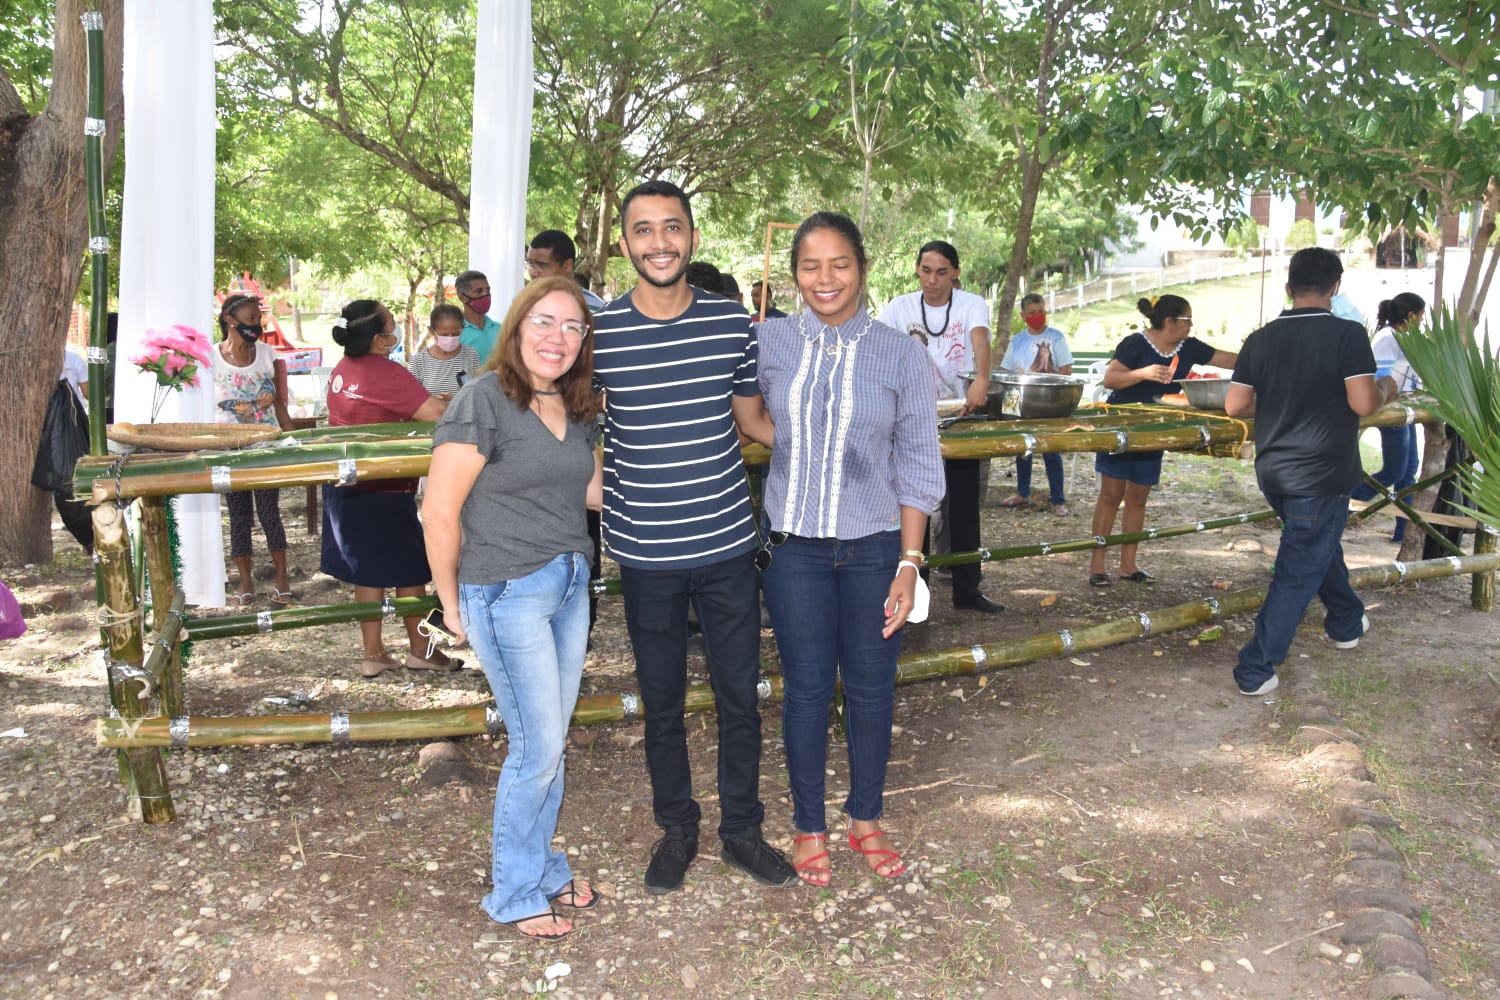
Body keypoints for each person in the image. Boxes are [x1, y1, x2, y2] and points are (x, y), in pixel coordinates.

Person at [592, 178, 796, 894]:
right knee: (663, 701)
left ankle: (742, 829)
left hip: (726, 548)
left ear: (693, 237)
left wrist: (833, 450)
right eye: (643, 230)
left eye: (671, 227)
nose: (659, 242)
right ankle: (678, 829)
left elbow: (754, 423)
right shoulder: (601, 335)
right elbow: (583, 436)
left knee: (741, 696)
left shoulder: (731, 324)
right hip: (644, 555)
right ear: (626, 243)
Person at [755, 212, 944, 886]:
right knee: (806, 689)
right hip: (792, 551)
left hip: (875, 550)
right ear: (795, 274)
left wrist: (909, 563)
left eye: (839, 264)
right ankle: (809, 824)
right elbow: (748, 414)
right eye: (810, 266)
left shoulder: (899, 353)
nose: (824, 278)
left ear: (861, 268)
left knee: (871, 689)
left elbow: (919, 462)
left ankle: (866, 817)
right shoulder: (769, 340)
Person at [424, 276, 604, 940]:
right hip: (505, 591)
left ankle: (543, 865)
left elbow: (592, 492)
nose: (557, 338)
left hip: (567, 585)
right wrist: (450, 606)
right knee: (535, 748)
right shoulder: (483, 400)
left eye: (572, 327)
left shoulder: (579, 406)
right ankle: (514, 890)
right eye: (544, 322)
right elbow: (438, 513)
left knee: (550, 741)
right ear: (518, 326)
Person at [1226, 248, 1380, 696]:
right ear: (1336, 287)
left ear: (1289, 288)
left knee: (1316, 547)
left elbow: (1236, 405)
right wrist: (1386, 389)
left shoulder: (1261, 338)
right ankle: (1255, 667)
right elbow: (1363, 403)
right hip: (1323, 472)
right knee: (1299, 567)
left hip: (1274, 471)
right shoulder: (1348, 335)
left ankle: (1347, 621)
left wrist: (1277, 403)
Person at [323, 299, 457, 678]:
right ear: (381, 340)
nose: (396, 332)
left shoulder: (344, 368)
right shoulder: (385, 372)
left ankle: (374, 652)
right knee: (411, 569)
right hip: (384, 489)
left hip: (348, 484)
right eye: (391, 326)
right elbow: (436, 415)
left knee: (369, 571)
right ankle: (422, 649)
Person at [879, 240, 1002, 614]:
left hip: (963, 415)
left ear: (956, 273)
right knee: (915, 504)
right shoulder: (899, 307)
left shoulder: (970, 304)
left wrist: (982, 378)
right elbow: (880, 349)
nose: (933, 279)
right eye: (926, 270)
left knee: (964, 505)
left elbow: (980, 338)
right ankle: (917, 591)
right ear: (917, 270)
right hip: (913, 420)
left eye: (942, 272)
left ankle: (968, 589)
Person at [1087, 295, 1237, 587]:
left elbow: (1229, 360)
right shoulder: (1135, 344)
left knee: (1138, 497)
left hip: (1156, 429)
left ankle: (1129, 565)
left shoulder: (1189, 347)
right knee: (1110, 495)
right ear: (1169, 321)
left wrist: (1266, 355)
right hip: (1122, 425)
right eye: (1187, 319)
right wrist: (1143, 373)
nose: (1191, 325)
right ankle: (1097, 565)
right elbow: (1110, 379)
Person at [212, 294, 295, 606]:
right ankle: (245, 583)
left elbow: (277, 400)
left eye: (258, 321)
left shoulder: (266, 353)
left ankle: (282, 579)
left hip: (265, 446)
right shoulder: (211, 357)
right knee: (238, 515)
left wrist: (290, 435)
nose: (255, 327)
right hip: (229, 449)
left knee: (269, 511)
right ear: (230, 320)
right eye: (250, 320)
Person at [1349, 293, 1426, 543]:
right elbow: (1382, 379)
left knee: (1408, 471)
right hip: (1390, 411)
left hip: (1406, 410)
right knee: (1395, 470)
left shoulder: (1404, 339)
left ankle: (1403, 532)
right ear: (1412, 315)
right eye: (1421, 317)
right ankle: (1346, 505)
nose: (1422, 323)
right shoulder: (1386, 338)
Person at [998, 293, 1073, 517]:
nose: (1037, 316)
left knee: (1051, 450)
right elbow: (1008, 372)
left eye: (1041, 311)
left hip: (1048, 402)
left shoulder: (1056, 337)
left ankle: (1058, 499)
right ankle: (1022, 492)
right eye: (1032, 313)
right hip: (1021, 401)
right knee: (1024, 448)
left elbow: (1066, 369)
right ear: (1023, 316)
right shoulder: (1018, 340)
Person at [407, 304, 481, 400]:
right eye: (444, 334)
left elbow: (477, 393)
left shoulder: (471, 355)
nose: (450, 338)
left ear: (462, 329)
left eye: (455, 334)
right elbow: (412, 400)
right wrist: (435, 403)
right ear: (432, 331)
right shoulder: (419, 361)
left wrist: (455, 402)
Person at [527, 230, 607, 312]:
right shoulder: (524, 304)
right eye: (530, 263)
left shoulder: (597, 310)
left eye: (542, 265)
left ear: (567, 265)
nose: (533, 272)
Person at [456, 270, 501, 358]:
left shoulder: (500, 329)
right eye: (479, 291)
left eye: (487, 290)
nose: (486, 294)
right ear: (462, 297)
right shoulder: (454, 334)